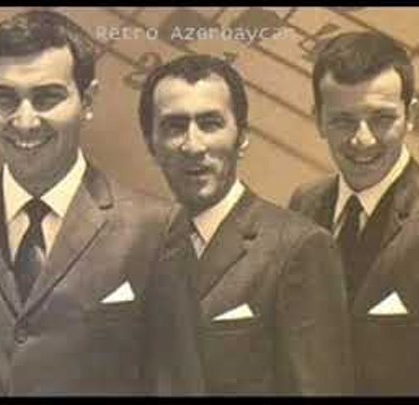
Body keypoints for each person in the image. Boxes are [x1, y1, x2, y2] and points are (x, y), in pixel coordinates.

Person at [0, 10, 203, 395]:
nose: (25, 121)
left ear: (88, 100)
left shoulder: (154, 231)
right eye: (4, 98)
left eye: (47, 97)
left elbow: (177, 385)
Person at [288, 31, 419, 395]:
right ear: (318, 119)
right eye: (343, 121)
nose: (363, 139)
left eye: (382, 119)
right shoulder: (304, 204)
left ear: (410, 115)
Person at [138, 54, 353, 394]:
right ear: (151, 144)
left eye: (210, 123)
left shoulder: (298, 247)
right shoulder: (139, 248)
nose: (193, 145)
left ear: (242, 137)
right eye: (174, 126)